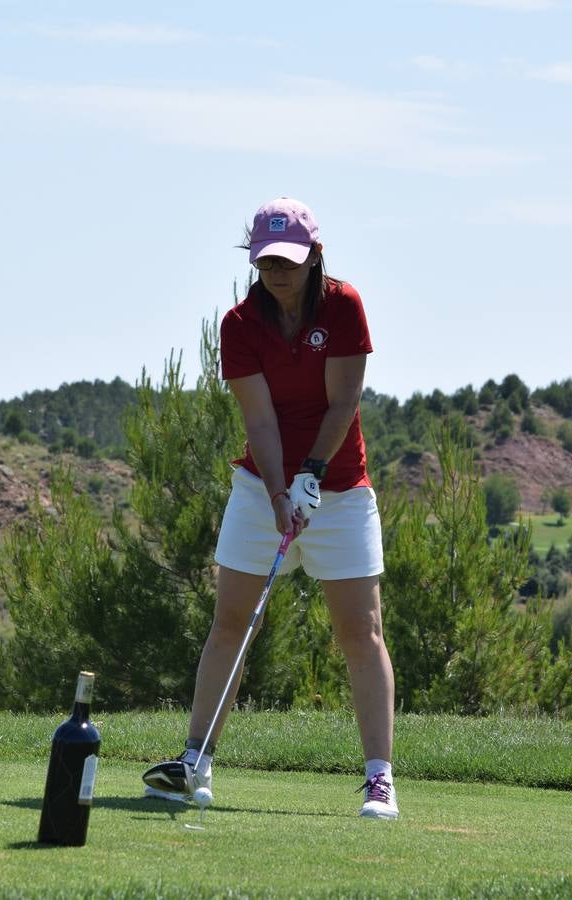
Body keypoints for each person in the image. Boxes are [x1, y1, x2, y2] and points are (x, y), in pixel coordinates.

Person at [142, 197, 398, 819]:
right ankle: (196, 761)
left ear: (313, 256)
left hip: (340, 491)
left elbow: (344, 404)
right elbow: (257, 417)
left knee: (359, 632)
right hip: (263, 489)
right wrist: (281, 493)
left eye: (288, 260)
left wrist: (311, 477)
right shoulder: (239, 324)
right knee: (231, 621)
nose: (277, 271)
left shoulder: (344, 307)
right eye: (266, 261)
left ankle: (378, 779)